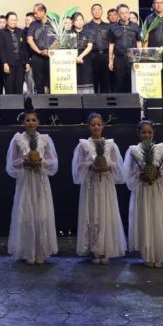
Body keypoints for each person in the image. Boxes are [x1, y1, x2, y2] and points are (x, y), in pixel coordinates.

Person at [123, 120, 163, 267]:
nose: (147, 135)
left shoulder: (162, 150)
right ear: (138, 134)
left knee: (158, 219)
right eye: (144, 132)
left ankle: (160, 255)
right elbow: (128, 173)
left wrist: (158, 174)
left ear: (153, 133)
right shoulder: (133, 151)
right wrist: (140, 176)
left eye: (149, 132)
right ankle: (148, 255)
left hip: (157, 190)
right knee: (145, 220)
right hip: (142, 191)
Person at [6, 107, 59, 264]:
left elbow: (53, 162)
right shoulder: (18, 139)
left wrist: (41, 162)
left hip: (40, 180)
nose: (30, 123)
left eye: (33, 120)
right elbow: (12, 163)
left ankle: (41, 250)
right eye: (27, 120)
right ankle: (28, 250)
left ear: (38, 122)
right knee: (27, 215)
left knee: (42, 215)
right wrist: (25, 162)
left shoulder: (45, 139)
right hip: (26, 181)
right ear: (23, 122)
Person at [72, 113, 127, 264]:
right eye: (93, 125)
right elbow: (78, 166)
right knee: (93, 214)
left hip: (106, 185)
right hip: (91, 185)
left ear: (103, 126)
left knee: (105, 214)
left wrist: (108, 166)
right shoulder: (84, 145)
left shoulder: (110, 145)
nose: (96, 127)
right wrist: (90, 166)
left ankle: (105, 249)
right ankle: (95, 250)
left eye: (98, 124)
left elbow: (118, 165)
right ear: (89, 127)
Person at [110, 3, 143, 93]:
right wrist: (111, 60)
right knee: (119, 82)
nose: (125, 15)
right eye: (122, 13)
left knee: (132, 82)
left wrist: (140, 57)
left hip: (132, 58)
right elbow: (111, 44)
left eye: (126, 12)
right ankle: (121, 101)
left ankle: (132, 100)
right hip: (119, 58)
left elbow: (139, 42)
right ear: (118, 14)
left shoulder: (135, 26)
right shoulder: (113, 27)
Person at [26, 3, 58, 94]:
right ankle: (40, 102)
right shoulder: (33, 24)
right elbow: (29, 40)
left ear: (43, 12)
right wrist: (39, 51)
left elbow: (59, 39)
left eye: (36, 13)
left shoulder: (53, 23)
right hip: (37, 57)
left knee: (52, 82)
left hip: (52, 57)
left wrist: (49, 50)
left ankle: (53, 102)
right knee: (39, 82)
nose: (35, 15)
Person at [84, 4, 112, 93]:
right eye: (94, 9)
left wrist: (111, 58)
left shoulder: (108, 26)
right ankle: (93, 100)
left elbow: (111, 43)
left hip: (105, 56)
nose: (97, 11)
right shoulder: (86, 26)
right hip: (92, 56)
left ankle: (105, 100)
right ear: (91, 12)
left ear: (102, 11)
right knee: (93, 81)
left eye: (99, 9)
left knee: (105, 81)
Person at [0, 12, 27, 96]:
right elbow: (1, 49)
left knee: (19, 86)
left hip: (20, 63)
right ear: (7, 21)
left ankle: (19, 104)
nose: (14, 22)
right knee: (9, 87)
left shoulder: (20, 32)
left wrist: (27, 62)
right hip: (9, 63)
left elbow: (24, 48)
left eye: (15, 20)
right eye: (12, 20)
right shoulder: (2, 33)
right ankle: (10, 104)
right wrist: (4, 63)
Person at [71, 12, 95, 94]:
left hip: (85, 58)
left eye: (81, 19)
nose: (79, 22)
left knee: (86, 79)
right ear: (73, 22)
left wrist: (80, 57)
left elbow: (89, 47)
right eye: (77, 20)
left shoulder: (88, 32)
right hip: (72, 59)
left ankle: (87, 100)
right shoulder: (68, 33)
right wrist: (74, 58)